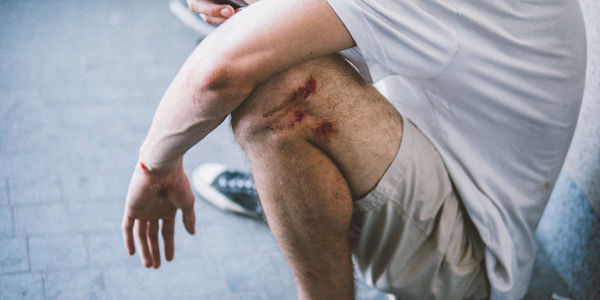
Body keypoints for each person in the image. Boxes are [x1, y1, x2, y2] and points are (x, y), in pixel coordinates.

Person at [121, 0, 587, 298]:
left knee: (283, 92)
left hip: (470, 267)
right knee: (278, 44)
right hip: (439, 171)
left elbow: (217, 73)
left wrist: (154, 167)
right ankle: (287, 198)